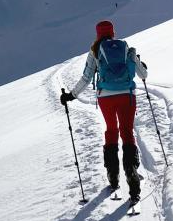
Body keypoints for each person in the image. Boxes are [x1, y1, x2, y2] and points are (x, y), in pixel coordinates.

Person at [60, 20, 148, 203]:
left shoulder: (94, 51)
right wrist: (141, 65)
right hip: (127, 95)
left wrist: (71, 95)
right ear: (113, 32)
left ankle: (113, 175)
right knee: (127, 132)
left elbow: (86, 77)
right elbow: (143, 75)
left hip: (106, 98)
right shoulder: (125, 47)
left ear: (98, 34)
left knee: (111, 130)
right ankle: (132, 174)